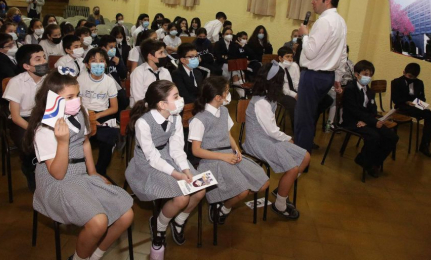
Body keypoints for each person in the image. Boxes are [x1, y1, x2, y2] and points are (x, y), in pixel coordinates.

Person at [25, 70, 133, 260]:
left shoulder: (78, 113)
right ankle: (79, 258)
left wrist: (93, 172)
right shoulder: (45, 129)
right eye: (69, 97)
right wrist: (63, 142)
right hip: (57, 181)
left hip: (81, 174)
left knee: (126, 215)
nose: (76, 100)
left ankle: (95, 255)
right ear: (53, 100)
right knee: (99, 222)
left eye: (77, 95)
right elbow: (57, 174)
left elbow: (84, 143)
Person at [125, 80, 205, 257]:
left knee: (199, 190)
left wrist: (186, 170)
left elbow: (176, 148)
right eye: (176, 97)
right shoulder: (143, 123)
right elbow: (152, 157)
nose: (181, 99)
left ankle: (179, 221)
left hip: (168, 155)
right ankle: (159, 226)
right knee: (182, 198)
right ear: (162, 104)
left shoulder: (175, 116)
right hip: (146, 163)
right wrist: (177, 174)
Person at [190, 76, 269, 224]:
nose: (229, 94)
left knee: (263, 183)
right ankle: (224, 208)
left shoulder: (224, 111)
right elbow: (196, 151)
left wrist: (237, 149)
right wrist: (223, 157)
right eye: (227, 91)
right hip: (212, 160)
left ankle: (226, 199)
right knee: (242, 191)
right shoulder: (199, 119)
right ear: (218, 97)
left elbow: (228, 135)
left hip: (229, 155)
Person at [244, 63, 310, 218]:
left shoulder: (268, 96)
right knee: (292, 167)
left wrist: (285, 139)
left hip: (269, 138)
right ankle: (280, 205)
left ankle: (281, 189)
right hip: (257, 141)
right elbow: (272, 130)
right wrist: (289, 139)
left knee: (305, 157)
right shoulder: (261, 102)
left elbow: (271, 130)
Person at [295, 0, 347, 153]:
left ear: (328, 0)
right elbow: (342, 54)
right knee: (310, 117)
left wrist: (305, 35)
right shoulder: (340, 21)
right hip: (328, 76)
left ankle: (300, 161)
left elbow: (309, 52)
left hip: (313, 76)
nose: (312, 2)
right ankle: (304, 153)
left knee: (304, 120)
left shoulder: (324, 21)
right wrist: (338, 78)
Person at [3, 44, 48, 191]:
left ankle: (51, 173)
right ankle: (29, 168)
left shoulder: (48, 79)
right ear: (27, 66)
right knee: (29, 143)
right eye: (38, 59)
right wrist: (34, 129)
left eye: (44, 57)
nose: (43, 62)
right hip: (22, 120)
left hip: (42, 117)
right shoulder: (16, 82)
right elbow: (15, 117)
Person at [342, 60, 398, 177]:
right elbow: (354, 111)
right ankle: (366, 162)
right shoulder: (350, 89)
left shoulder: (370, 91)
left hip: (367, 120)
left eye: (370, 75)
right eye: (365, 74)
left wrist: (371, 120)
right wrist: (371, 121)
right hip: (352, 121)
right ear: (357, 74)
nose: (368, 77)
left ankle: (373, 162)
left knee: (392, 137)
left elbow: (373, 109)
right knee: (374, 136)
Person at [78, 48, 120, 177]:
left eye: (101, 61)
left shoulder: (109, 81)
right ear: (87, 65)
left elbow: (114, 108)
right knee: (79, 136)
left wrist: (97, 116)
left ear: (106, 64)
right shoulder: (80, 79)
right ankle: (81, 171)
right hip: (83, 113)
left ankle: (100, 170)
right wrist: (89, 117)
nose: (98, 64)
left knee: (110, 136)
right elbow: (76, 103)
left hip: (103, 113)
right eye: (93, 61)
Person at [277, 46, 332, 133]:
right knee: (295, 106)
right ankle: (298, 132)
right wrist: (295, 95)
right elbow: (283, 89)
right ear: (280, 58)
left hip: (295, 91)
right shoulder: (277, 68)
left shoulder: (294, 66)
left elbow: (297, 83)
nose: (290, 59)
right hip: (283, 93)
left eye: (291, 56)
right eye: (287, 57)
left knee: (326, 99)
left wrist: (302, 92)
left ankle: (311, 120)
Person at [392, 63, 431, 157]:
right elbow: (396, 99)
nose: (411, 78)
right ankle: (424, 145)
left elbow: (423, 98)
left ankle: (424, 144)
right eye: (409, 76)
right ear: (404, 72)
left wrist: (418, 103)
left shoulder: (419, 83)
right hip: (402, 106)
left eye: (414, 77)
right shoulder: (397, 82)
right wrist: (407, 102)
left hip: (416, 105)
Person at [130, 39, 172, 107]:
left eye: (164, 52)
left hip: (163, 107)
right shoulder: (138, 72)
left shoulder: (165, 71)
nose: (164, 55)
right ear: (150, 56)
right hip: (143, 109)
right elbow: (139, 99)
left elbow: (170, 92)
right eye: (161, 52)